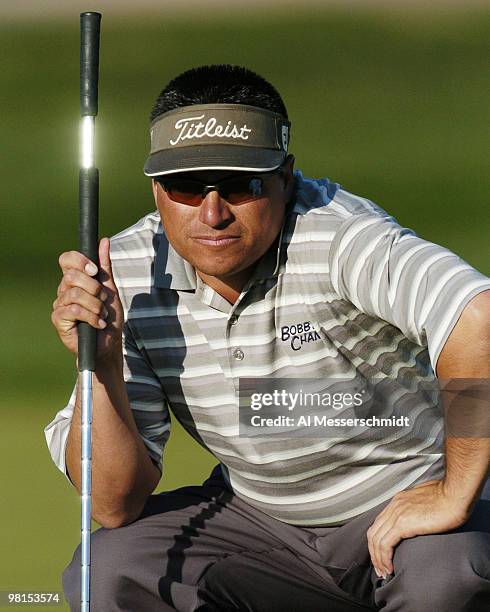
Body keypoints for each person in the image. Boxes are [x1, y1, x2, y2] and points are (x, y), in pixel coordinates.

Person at [46, 64, 490, 611]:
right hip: (263, 524)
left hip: (409, 494)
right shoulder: (130, 273)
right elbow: (114, 502)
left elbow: (478, 318)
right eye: (186, 185)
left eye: (241, 183)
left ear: (286, 176)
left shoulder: (337, 234)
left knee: (448, 576)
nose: (212, 213)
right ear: (157, 189)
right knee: (114, 569)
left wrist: (454, 493)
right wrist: (104, 365)